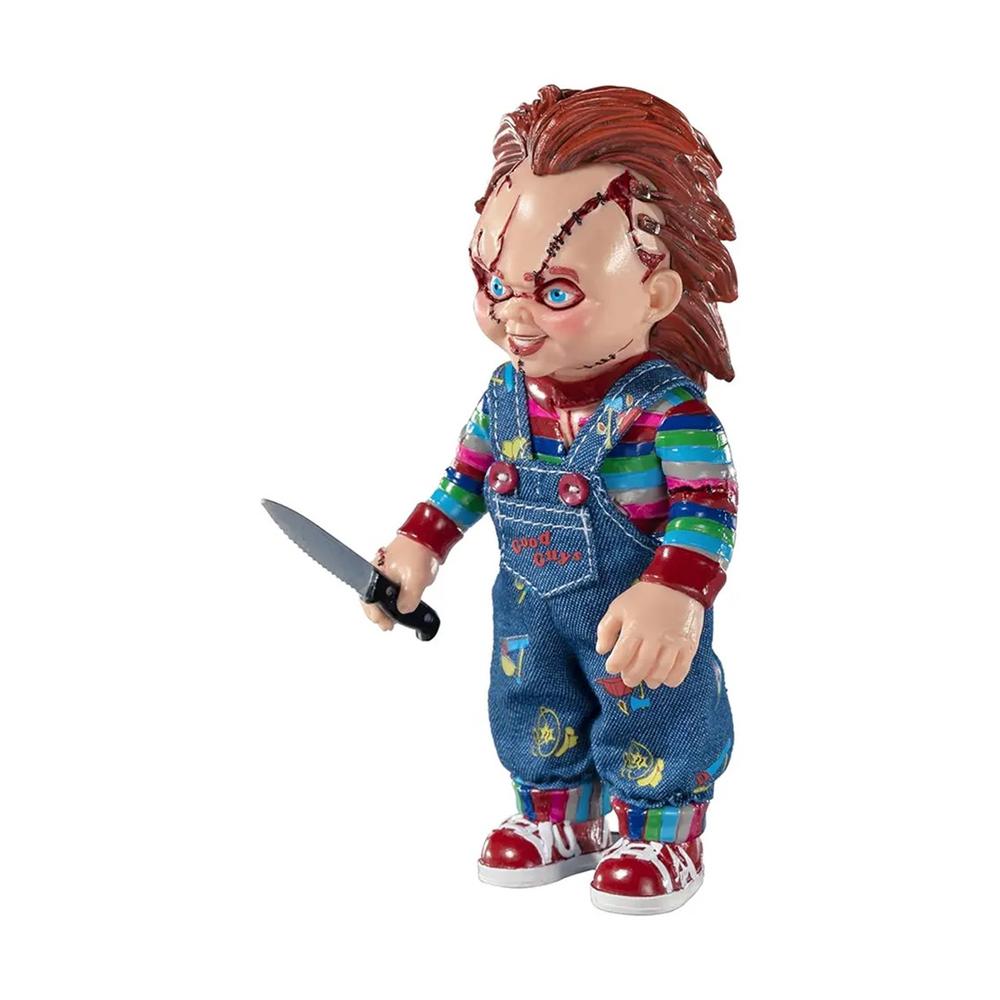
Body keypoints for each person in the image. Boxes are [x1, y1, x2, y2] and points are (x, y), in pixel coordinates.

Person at [364, 85, 738, 915]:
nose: (514, 316)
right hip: (529, 609)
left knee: (654, 711)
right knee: (531, 700)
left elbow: (708, 504)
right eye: (494, 284)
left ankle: (662, 830)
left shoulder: (668, 411)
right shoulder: (506, 397)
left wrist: (675, 592)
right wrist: (419, 546)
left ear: (656, 296)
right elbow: (463, 480)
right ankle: (557, 815)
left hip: (632, 619)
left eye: (557, 293)